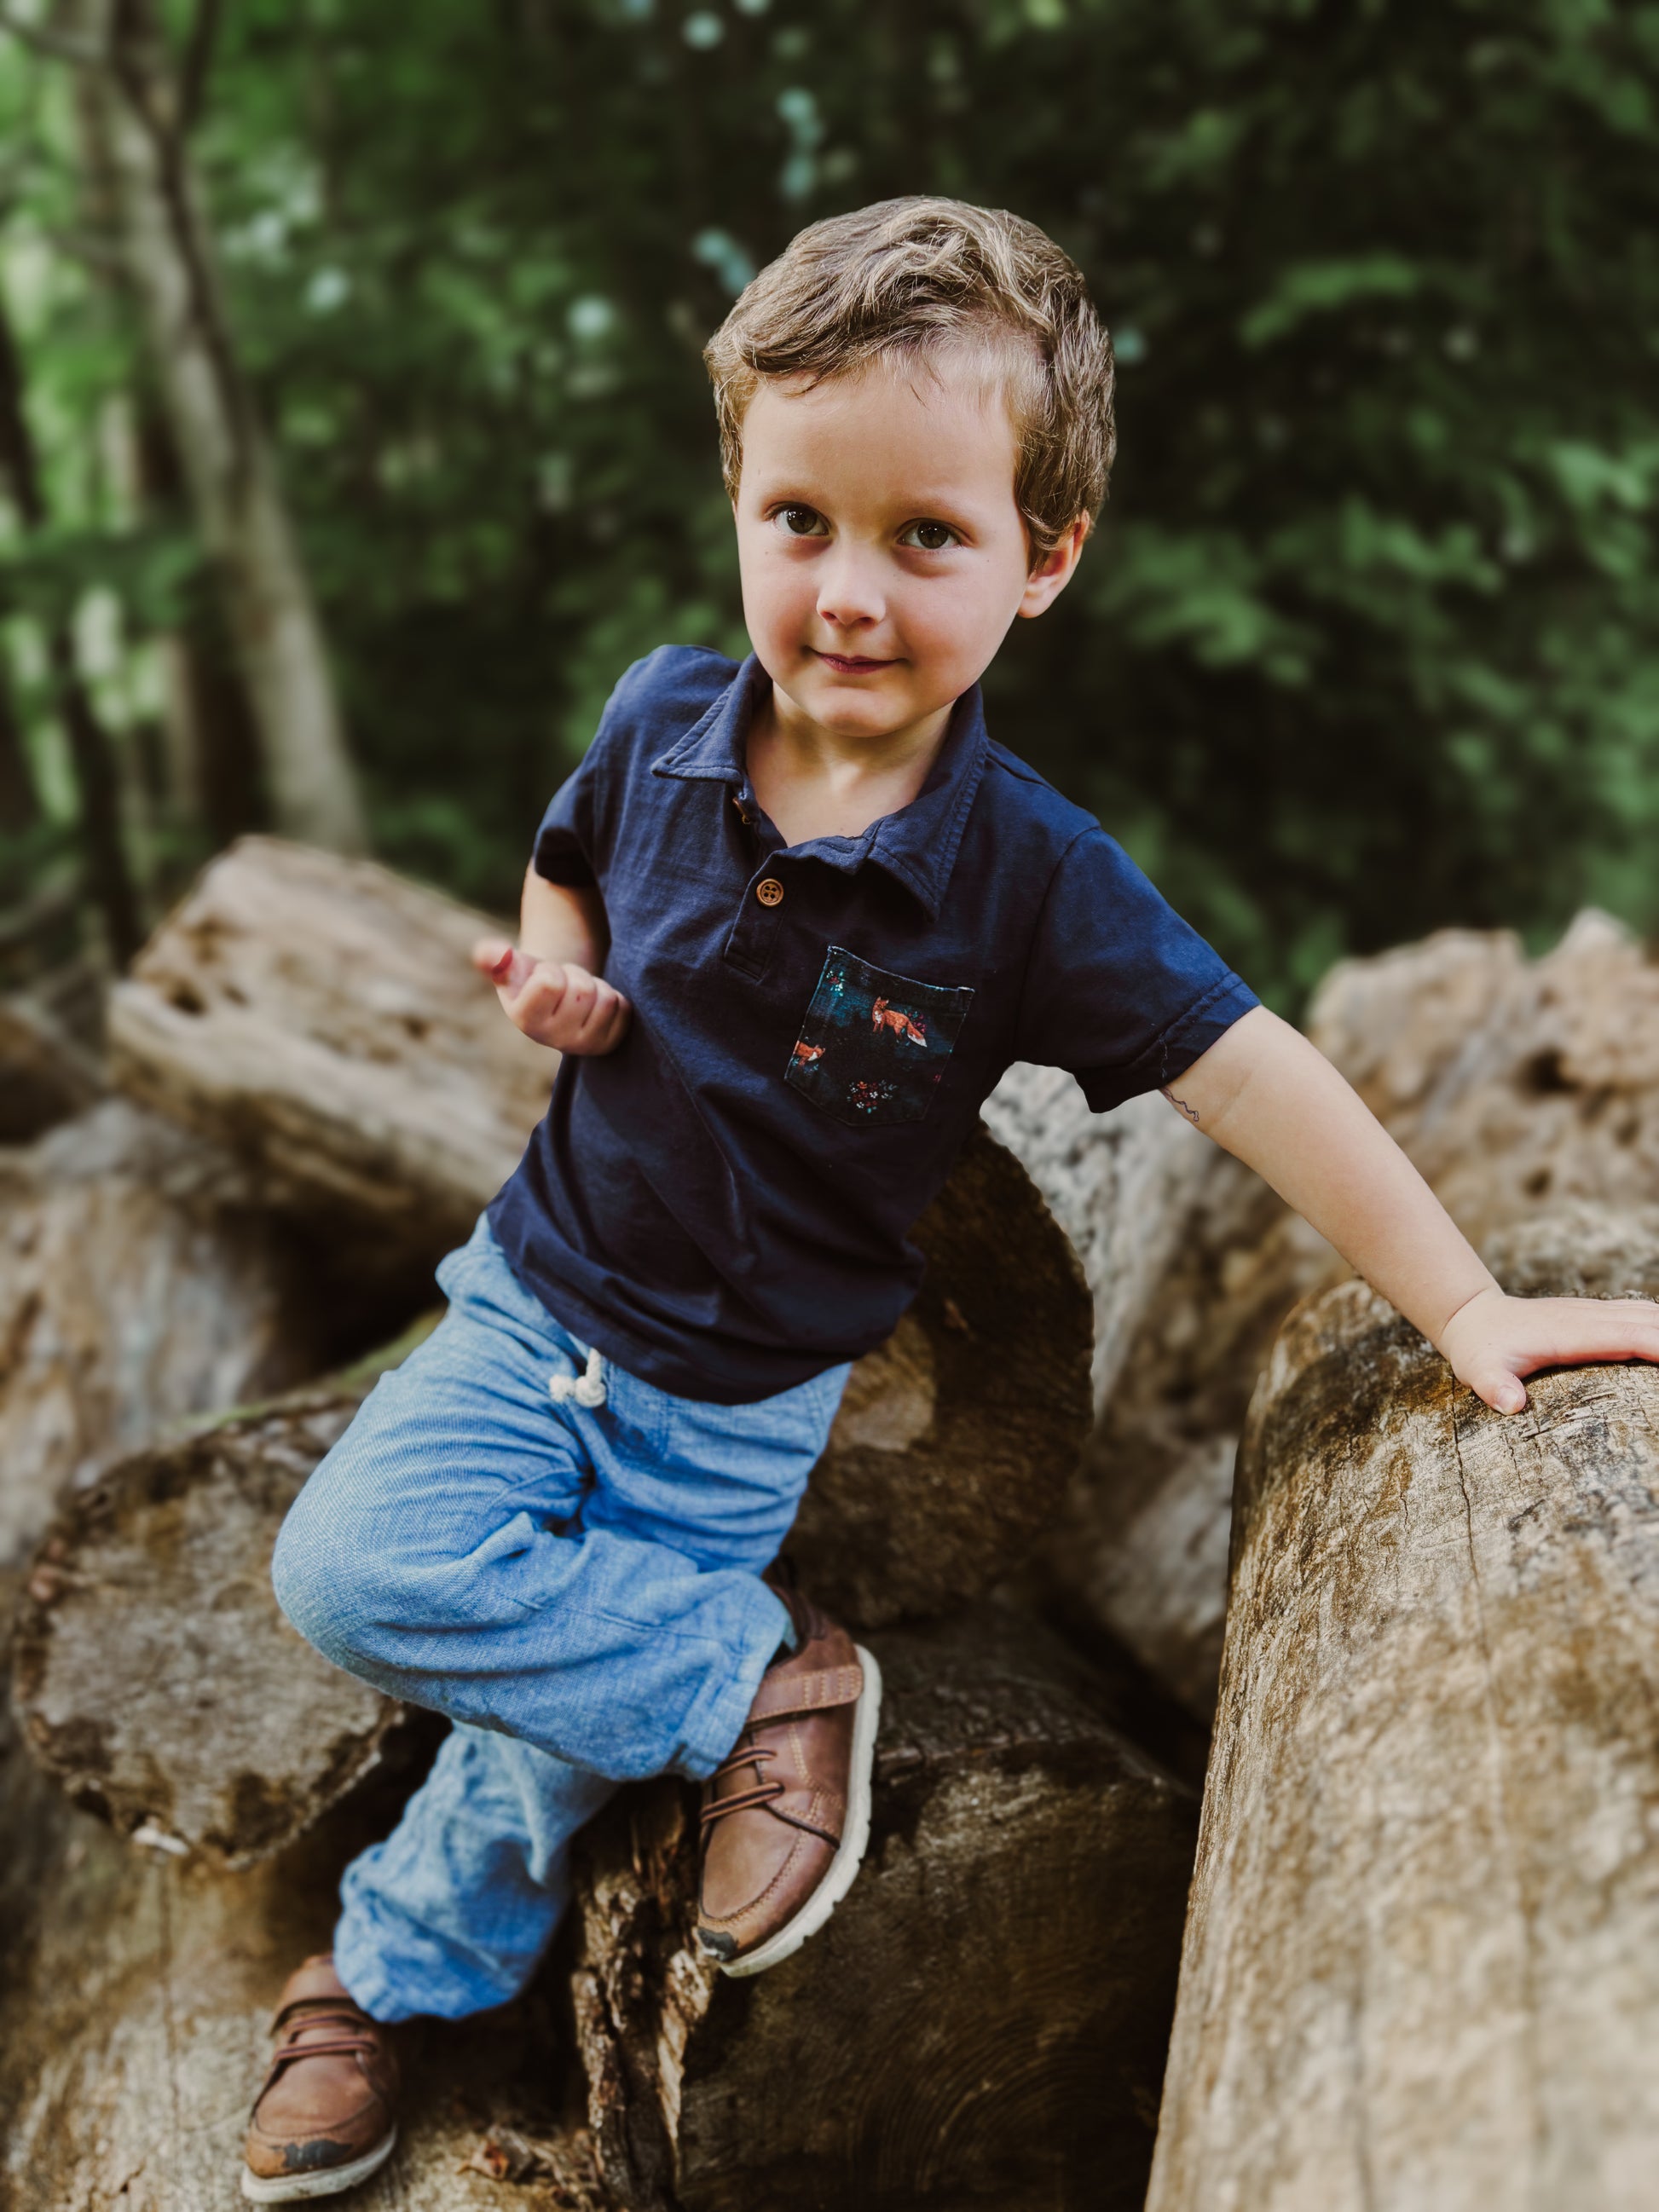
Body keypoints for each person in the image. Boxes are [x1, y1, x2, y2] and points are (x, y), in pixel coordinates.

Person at [240, 197, 1659, 2200]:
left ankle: (386, 1971)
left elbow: (1253, 1070)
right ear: (737, 489)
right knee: (356, 1568)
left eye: (927, 536)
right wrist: (553, 967)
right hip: (528, 1309)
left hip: (733, 1408)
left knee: (545, 1740)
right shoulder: (656, 720)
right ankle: (754, 1674)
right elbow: (561, 860)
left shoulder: (1029, 876)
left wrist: (1464, 1307)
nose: (843, 588)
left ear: (1042, 556)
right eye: (799, 518)